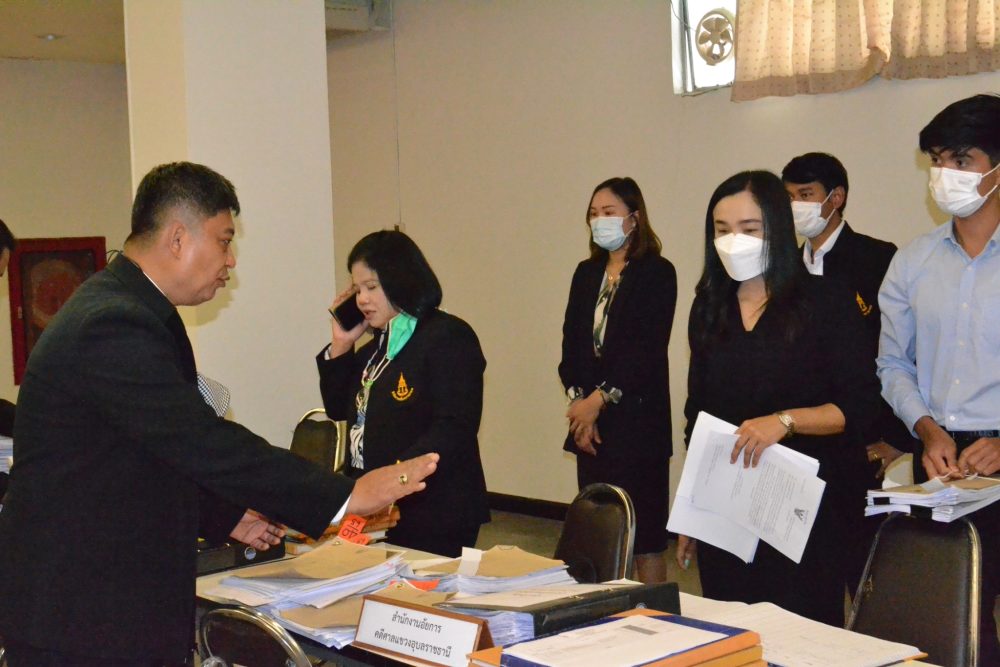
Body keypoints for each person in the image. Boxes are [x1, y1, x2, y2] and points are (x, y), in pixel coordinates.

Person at [0, 162, 439, 667]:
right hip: (79, 613)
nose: (231, 260)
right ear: (178, 238)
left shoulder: (130, 308)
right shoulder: (112, 322)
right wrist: (346, 496)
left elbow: (146, 451)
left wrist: (224, 514)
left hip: (97, 602)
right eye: (224, 240)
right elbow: (199, 439)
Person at [676, 170, 878, 626]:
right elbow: (697, 415)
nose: (733, 241)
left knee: (801, 632)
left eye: (749, 229)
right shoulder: (709, 306)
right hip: (728, 507)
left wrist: (785, 421)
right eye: (722, 230)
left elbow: (860, 407)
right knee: (729, 633)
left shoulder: (825, 300)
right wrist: (692, 508)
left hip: (804, 513)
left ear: (779, 231)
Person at [878, 93, 1000, 663]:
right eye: (937, 160)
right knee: (946, 620)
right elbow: (892, 363)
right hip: (937, 458)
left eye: (961, 159)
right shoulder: (912, 261)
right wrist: (926, 429)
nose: (944, 174)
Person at [781, 152, 911, 594]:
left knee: (864, 576)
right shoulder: (783, 267)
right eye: (788, 197)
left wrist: (896, 438)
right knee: (804, 580)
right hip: (797, 443)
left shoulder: (877, 259)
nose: (795, 206)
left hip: (862, 445)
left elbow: (899, 353)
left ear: (835, 198)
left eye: (805, 195)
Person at [317, 230, 489, 557]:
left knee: (418, 587)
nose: (362, 299)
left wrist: (395, 478)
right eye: (357, 290)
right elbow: (338, 408)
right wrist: (341, 344)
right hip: (375, 505)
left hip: (432, 507)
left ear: (401, 280)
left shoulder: (448, 336)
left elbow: (454, 426)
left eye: (371, 287)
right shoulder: (373, 351)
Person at [559, 177, 676, 583]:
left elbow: (646, 350)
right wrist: (580, 406)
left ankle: (652, 614)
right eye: (593, 214)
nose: (599, 220)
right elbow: (572, 342)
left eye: (608, 212)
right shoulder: (586, 272)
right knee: (597, 535)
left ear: (634, 218)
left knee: (646, 540)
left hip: (638, 423)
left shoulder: (657, 272)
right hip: (591, 427)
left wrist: (598, 401)